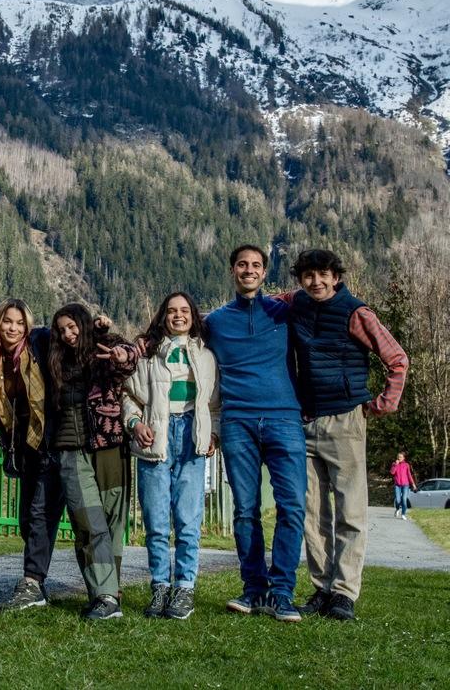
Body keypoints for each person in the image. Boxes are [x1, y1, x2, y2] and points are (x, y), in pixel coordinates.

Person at [279, 249, 409, 621]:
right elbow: (257, 304)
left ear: (336, 276)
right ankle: (321, 588)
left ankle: (345, 593)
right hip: (305, 421)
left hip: (346, 420)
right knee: (311, 511)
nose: (315, 282)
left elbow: (397, 359)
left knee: (350, 510)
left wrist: (382, 404)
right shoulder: (296, 303)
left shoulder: (357, 313)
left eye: (322, 275)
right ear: (300, 280)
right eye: (308, 276)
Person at [205, 244, 305, 622]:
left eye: (256, 265)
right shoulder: (215, 321)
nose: (249, 270)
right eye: (243, 264)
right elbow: (173, 332)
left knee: (292, 506)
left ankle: (282, 593)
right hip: (237, 422)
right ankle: (254, 590)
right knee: (245, 511)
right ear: (233, 270)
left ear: (265, 272)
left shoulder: (285, 313)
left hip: (285, 419)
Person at [124, 292, 219, 620]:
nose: (178, 316)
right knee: (156, 519)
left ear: (193, 315)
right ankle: (160, 586)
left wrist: (214, 434)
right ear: (163, 316)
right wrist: (135, 423)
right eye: (171, 311)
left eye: (184, 311)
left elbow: (215, 404)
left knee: (189, 519)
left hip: (191, 438)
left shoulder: (207, 357)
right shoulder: (147, 354)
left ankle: (184, 588)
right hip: (156, 439)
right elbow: (129, 396)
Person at [50, 303, 138, 620]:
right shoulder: (55, 358)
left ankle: (110, 592)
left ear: (84, 324)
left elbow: (129, 360)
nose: (67, 334)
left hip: (109, 443)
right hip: (70, 447)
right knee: (89, 522)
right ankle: (103, 594)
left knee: (113, 521)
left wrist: (119, 352)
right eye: (61, 330)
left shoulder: (105, 347)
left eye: (72, 327)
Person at [0, 299, 64, 611]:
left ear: (27, 325)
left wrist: (98, 328)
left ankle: (32, 582)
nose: (13, 329)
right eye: (7, 322)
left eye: (19, 323)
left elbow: (72, 337)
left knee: (41, 511)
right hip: (24, 446)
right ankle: (36, 577)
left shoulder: (40, 342)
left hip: (50, 442)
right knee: (27, 518)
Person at [390, 452, 417, 520]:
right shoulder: (394, 464)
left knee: (404, 499)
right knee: (398, 500)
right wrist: (396, 464)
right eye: (398, 457)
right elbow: (392, 472)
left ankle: (403, 514)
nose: (399, 458)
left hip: (405, 485)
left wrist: (413, 484)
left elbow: (409, 475)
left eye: (401, 457)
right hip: (397, 485)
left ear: (404, 458)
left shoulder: (406, 465)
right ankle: (397, 509)